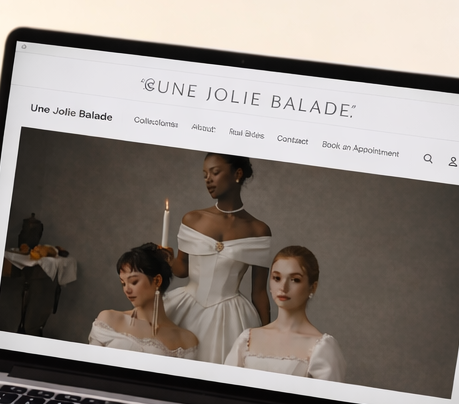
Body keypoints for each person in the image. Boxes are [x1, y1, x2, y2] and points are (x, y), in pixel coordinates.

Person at [161, 154, 272, 362]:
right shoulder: (192, 219)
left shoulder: (258, 230)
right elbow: (182, 270)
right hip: (186, 306)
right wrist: (168, 260)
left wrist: (267, 338)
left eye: (215, 172)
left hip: (231, 318)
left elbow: (259, 293)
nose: (208, 180)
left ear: (237, 174)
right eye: (204, 175)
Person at [222, 245, 344, 381]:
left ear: (312, 287)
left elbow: (328, 400)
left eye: (295, 280)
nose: (283, 288)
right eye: (277, 278)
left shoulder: (322, 348)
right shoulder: (247, 339)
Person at [87, 243, 198, 359]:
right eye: (123, 283)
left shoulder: (185, 340)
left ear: (157, 281)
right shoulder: (108, 319)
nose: (126, 290)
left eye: (134, 282)